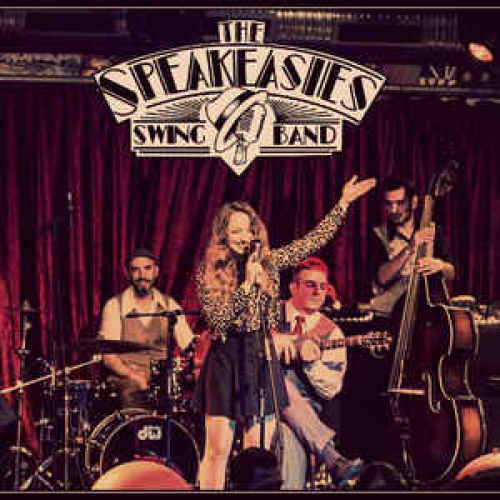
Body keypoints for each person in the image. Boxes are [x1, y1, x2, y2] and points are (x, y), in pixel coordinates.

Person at [194, 175, 376, 490]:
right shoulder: (210, 271)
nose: (244, 236)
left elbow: (311, 242)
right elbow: (218, 322)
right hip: (226, 359)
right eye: (235, 231)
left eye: (248, 229)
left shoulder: (269, 263)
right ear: (222, 235)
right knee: (218, 450)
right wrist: (246, 286)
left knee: (258, 451)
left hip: (259, 358)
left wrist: (343, 204)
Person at [274, 256, 362, 489]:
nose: (318, 291)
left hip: (303, 413)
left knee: (289, 436)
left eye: (323, 286)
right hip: (257, 401)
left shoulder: (332, 333)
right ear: (293, 287)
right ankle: (332, 456)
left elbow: (330, 389)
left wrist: (311, 363)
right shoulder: (269, 314)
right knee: (273, 376)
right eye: (310, 285)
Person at [98, 248, 195, 410]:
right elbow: (109, 357)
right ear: (128, 274)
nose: (142, 275)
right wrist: (134, 376)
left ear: (156, 271)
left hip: (163, 380)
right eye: (136, 270)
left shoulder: (169, 305)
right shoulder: (115, 306)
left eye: (147, 268)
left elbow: (188, 345)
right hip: (126, 378)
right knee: (131, 392)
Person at [366, 175, 455, 319]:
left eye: (400, 203)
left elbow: (452, 272)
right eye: (389, 204)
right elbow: (382, 278)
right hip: (390, 314)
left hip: (428, 312)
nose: (394, 210)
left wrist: (440, 265)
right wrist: (410, 247)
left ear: (413, 202)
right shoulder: (379, 234)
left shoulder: (433, 230)